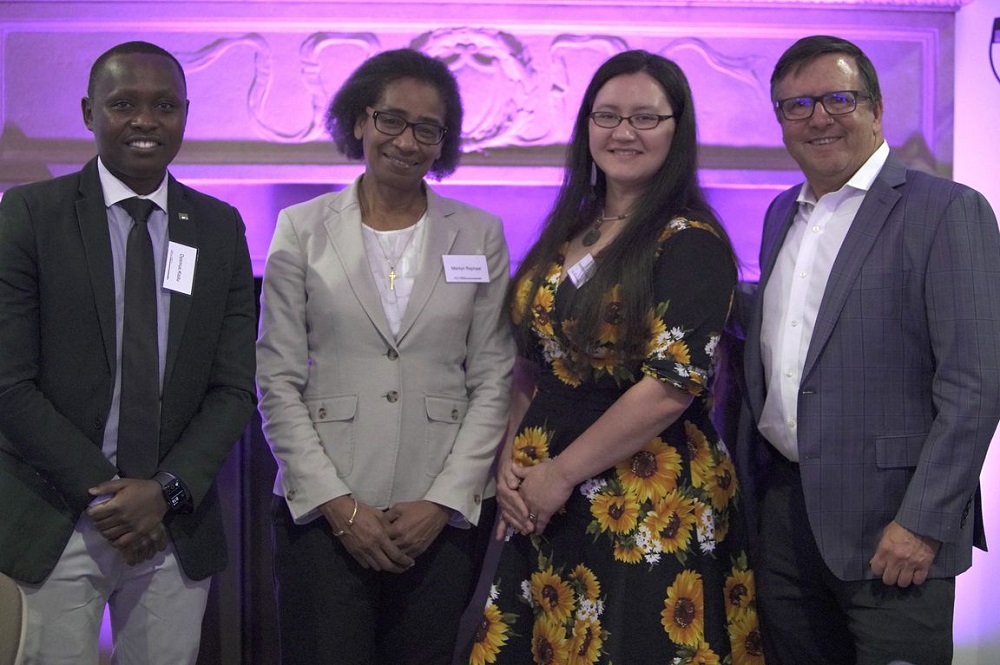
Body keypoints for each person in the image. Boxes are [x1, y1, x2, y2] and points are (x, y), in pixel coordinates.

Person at [467, 50, 763, 665]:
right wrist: (511, 467)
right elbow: (533, 363)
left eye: (645, 118)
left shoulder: (690, 242)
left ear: (677, 132)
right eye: (607, 115)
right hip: (546, 497)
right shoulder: (572, 227)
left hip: (647, 498)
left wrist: (560, 474)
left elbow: (669, 388)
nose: (623, 132)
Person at [739, 35, 1000, 665]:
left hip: (894, 529)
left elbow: (976, 384)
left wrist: (924, 522)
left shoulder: (948, 211)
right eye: (796, 106)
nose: (818, 117)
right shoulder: (781, 214)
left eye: (838, 98)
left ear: (876, 109)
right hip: (784, 520)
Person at [0, 41, 257, 664]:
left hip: (174, 522)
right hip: (61, 513)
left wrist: (163, 492)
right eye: (124, 104)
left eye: (164, 105)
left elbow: (233, 389)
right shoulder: (31, 215)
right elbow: (8, 383)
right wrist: (110, 497)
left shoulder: (221, 227)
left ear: (186, 115)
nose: (145, 120)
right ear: (90, 111)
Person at [256, 48, 514, 664]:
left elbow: (492, 378)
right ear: (360, 121)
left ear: (443, 142)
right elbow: (276, 378)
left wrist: (447, 499)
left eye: (427, 128)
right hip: (322, 512)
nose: (406, 141)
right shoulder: (301, 226)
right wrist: (338, 506)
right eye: (391, 120)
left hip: (440, 520)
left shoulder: (479, 233)